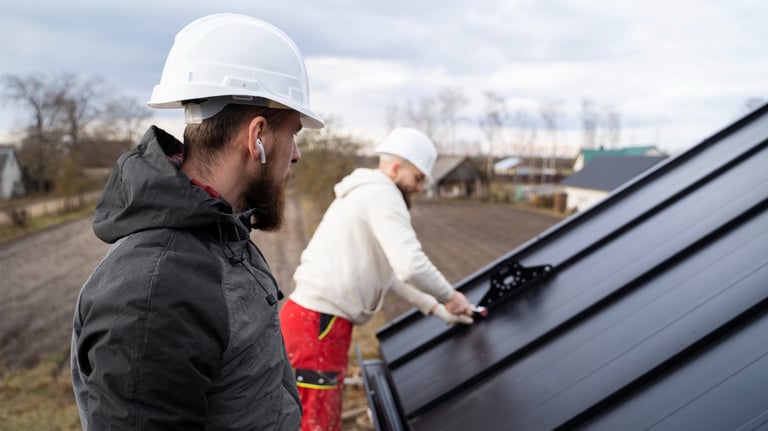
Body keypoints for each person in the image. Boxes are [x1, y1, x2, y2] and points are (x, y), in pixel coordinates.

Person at [70, 14, 323, 430]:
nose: (295, 154)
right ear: (257, 136)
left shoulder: (223, 237)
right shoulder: (155, 293)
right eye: (293, 132)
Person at [280, 126, 476, 430]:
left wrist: (437, 309)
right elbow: (410, 265)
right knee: (316, 424)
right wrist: (451, 297)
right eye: (418, 178)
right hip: (318, 326)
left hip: (315, 322)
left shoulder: (369, 194)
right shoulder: (383, 194)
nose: (421, 188)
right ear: (396, 168)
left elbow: (391, 274)